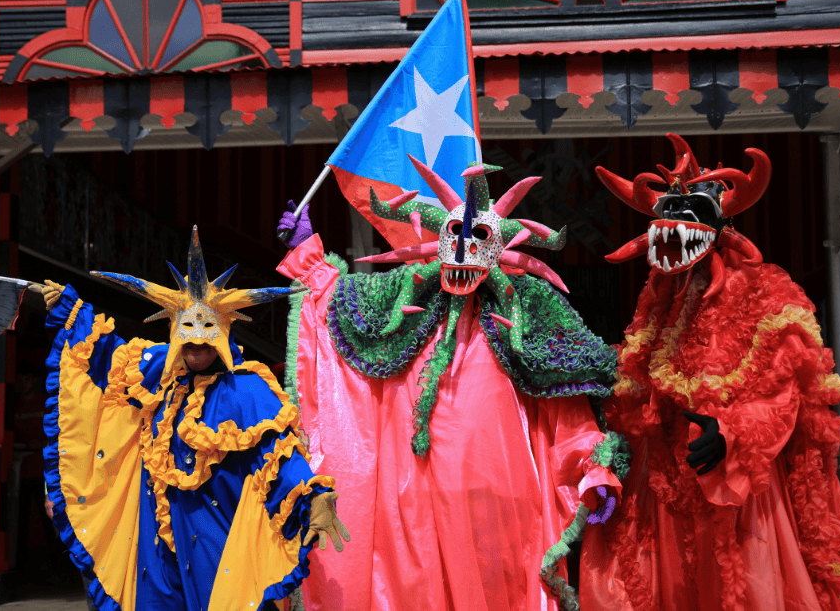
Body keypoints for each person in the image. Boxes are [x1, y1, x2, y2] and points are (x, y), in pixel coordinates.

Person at [276, 157, 627, 611]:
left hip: (496, 509)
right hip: (411, 507)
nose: (463, 250)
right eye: (454, 235)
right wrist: (307, 256)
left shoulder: (529, 315)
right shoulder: (405, 301)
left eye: (477, 237)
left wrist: (593, 468)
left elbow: (566, 403)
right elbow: (339, 309)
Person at [580, 134, 840, 611]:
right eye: (667, 215)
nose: (673, 228)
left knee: (745, 585)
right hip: (668, 482)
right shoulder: (657, 300)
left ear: (721, 228)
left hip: (741, 486)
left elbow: (784, 392)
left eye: (690, 214)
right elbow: (638, 392)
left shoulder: (763, 293)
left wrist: (731, 433)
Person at [34, 227, 349, 611]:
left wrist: (311, 494)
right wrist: (70, 309)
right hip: (155, 551)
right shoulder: (156, 373)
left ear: (223, 333)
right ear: (174, 332)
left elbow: (281, 456)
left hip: (215, 542)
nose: (197, 341)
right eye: (188, 331)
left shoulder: (247, 391)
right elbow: (104, 355)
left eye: (207, 332)